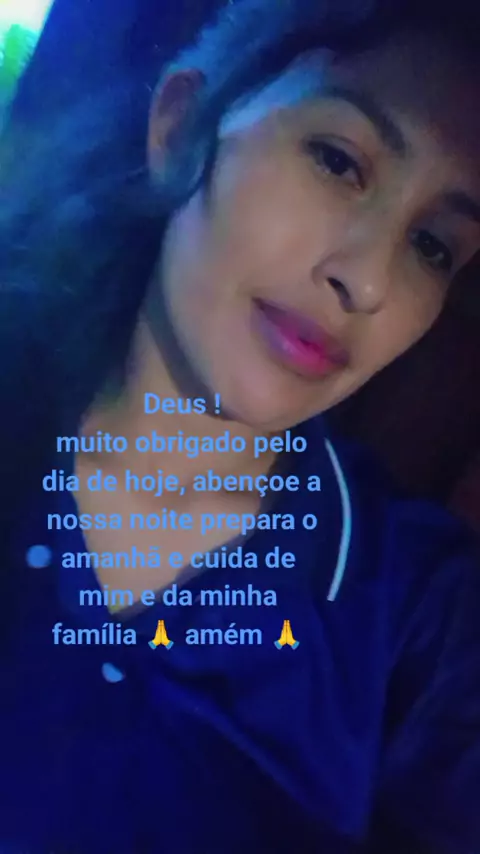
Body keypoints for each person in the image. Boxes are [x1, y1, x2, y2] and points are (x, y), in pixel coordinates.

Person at [1, 0, 480, 851]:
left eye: (433, 246)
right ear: (182, 124)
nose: (369, 282)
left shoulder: (421, 615)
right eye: (338, 161)